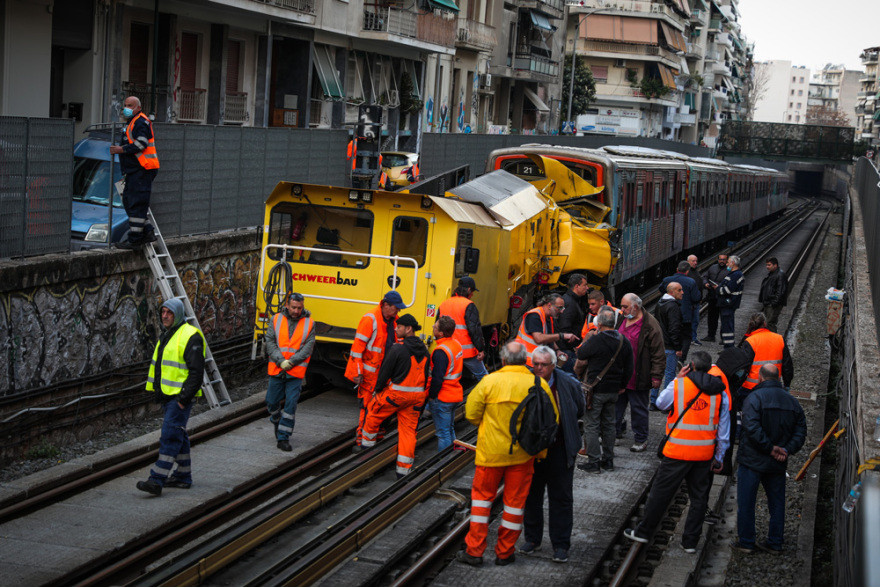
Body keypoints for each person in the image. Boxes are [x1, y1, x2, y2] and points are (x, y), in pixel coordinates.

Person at [457, 342, 558, 567]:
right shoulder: (538, 384)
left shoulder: (489, 382)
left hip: (490, 454)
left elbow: (471, 414)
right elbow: (552, 420)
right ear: (525, 360)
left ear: (503, 360)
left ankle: (474, 551)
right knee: (514, 505)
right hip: (522, 456)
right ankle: (504, 552)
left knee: (481, 503)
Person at [623, 351, 729, 553]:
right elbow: (724, 430)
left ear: (691, 366)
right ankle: (690, 542)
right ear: (710, 368)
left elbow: (660, 403)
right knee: (699, 498)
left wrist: (676, 379)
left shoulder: (680, 385)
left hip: (677, 451)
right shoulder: (720, 392)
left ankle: (644, 531)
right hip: (703, 453)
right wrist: (719, 456)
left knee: (660, 493)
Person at [520, 346, 586, 563]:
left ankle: (560, 545)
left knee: (561, 498)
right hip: (533, 451)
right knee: (532, 496)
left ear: (553, 365)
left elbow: (579, 408)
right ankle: (532, 539)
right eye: (536, 364)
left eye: (544, 365)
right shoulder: (525, 382)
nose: (539, 368)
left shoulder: (567, 383)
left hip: (560, 449)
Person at [734, 364, 807, 554]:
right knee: (777, 503)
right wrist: (786, 449)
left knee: (746, 502)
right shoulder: (792, 402)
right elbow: (801, 431)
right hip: (777, 462)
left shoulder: (753, 398)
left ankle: (746, 542)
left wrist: (769, 448)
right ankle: (775, 542)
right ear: (779, 378)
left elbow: (751, 427)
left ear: (760, 377)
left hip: (752, 460)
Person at [136, 298, 205, 496]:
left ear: (178, 314)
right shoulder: (169, 334)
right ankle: (183, 476)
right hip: (168, 396)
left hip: (179, 397)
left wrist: (183, 399)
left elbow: (196, 373)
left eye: (169, 313)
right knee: (178, 434)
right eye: (163, 312)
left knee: (169, 435)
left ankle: (156, 480)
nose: (165, 316)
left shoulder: (190, 335)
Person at [358, 314, 430, 477]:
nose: (396, 329)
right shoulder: (424, 351)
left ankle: (366, 456)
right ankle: (403, 472)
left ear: (408, 329)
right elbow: (425, 377)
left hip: (396, 395)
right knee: (408, 433)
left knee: (372, 413)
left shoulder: (398, 348)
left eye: (399, 327)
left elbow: (385, 373)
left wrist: (377, 389)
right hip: (416, 399)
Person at [575, 308, 634, 472]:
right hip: (613, 390)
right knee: (609, 425)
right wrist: (622, 385)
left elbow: (581, 353)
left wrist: (591, 336)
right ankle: (608, 460)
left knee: (592, 425)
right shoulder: (623, 341)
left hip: (595, 390)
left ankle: (594, 461)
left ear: (599, 324)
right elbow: (629, 367)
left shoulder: (596, 339)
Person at [345, 291, 406, 446]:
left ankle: (377, 437)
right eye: (396, 307)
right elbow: (357, 349)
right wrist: (357, 372)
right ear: (386, 305)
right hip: (370, 375)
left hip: (386, 375)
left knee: (383, 408)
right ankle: (361, 440)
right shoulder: (370, 319)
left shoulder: (394, 321)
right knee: (367, 408)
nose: (398, 310)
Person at [265, 292, 315, 452]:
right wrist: (281, 361)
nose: (296, 311)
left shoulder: (309, 323)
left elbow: (308, 348)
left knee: (291, 405)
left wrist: (292, 362)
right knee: (271, 401)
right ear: (287, 305)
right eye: (293, 307)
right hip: (277, 368)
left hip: (295, 372)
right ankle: (276, 420)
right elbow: (270, 341)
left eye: (299, 308)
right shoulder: (276, 319)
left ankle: (283, 438)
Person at [615, 293, 665, 452]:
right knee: (616, 407)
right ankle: (614, 433)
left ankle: (640, 438)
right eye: (621, 306)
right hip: (620, 375)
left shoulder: (650, 324)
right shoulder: (621, 318)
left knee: (639, 408)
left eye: (625, 307)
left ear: (635, 307)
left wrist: (656, 375)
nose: (622, 310)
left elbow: (658, 352)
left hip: (639, 375)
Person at [110, 96, 159, 249]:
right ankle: (147, 231)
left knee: (136, 203)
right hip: (136, 170)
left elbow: (141, 143)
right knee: (128, 201)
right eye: (125, 105)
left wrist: (122, 149)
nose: (127, 108)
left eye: (130, 105)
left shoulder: (140, 122)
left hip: (143, 169)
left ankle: (135, 239)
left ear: (138, 107)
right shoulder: (132, 122)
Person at [437, 277, 488, 382]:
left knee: (447, 378)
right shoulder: (468, 305)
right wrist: (480, 349)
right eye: (472, 291)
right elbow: (474, 330)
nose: (472, 295)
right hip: (466, 352)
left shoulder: (444, 304)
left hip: (448, 351)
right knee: (483, 377)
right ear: (468, 290)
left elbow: (437, 327)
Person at [428, 316, 464, 451]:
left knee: (443, 434)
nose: (433, 327)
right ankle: (452, 456)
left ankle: (444, 459)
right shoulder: (456, 344)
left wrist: (431, 396)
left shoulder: (441, 352)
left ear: (441, 333)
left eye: (435, 327)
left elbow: (437, 378)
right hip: (455, 394)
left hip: (443, 398)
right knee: (449, 429)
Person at [514, 293, 578, 367]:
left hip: (538, 362)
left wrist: (557, 350)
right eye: (559, 308)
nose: (561, 311)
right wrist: (562, 336)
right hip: (527, 362)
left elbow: (548, 337)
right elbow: (539, 338)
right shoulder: (534, 316)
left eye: (562, 308)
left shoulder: (548, 317)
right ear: (549, 305)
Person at [739, 312, 794, 395]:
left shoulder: (750, 341)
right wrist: (787, 385)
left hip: (751, 388)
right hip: (774, 386)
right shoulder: (779, 339)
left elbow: (743, 367)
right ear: (765, 323)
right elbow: (787, 366)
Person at [659, 261, 701, 360]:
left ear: (677, 269)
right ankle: (681, 359)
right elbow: (696, 298)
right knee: (686, 337)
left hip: (668, 314)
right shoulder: (691, 282)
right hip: (685, 315)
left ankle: (669, 356)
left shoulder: (667, 280)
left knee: (669, 334)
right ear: (687, 271)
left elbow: (661, 290)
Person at [654, 282, 684, 408]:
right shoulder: (673, 307)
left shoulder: (660, 303)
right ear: (672, 292)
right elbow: (674, 329)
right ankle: (666, 403)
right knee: (670, 375)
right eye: (679, 290)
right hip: (670, 347)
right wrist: (678, 347)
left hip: (659, 345)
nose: (682, 292)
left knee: (657, 373)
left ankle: (653, 401)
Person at [557, 274, 590, 371]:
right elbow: (564, 328)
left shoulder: (570, 300)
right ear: (577, 286)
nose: (587, 288)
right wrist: (574, 347)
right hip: (566, 351)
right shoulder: (570, 304)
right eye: (585, 285)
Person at [716, 255, 745, 348]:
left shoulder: (736, 275)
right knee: (726, 327)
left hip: (728, 303)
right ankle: (727, 346)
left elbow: (728, 290)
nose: (726, 264)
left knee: (728, 327)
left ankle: (729, 347)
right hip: (727, 304)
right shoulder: (733, 274)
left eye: (728, 262)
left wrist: (718, 289)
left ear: (733, 263)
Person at [702, 254, 729, 343]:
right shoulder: (712, 267)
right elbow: (705, 277)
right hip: (712, 297)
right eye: (720, 259)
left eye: (724, 260)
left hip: (723, 297)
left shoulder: (729, 270)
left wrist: (719, 286)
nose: (722, 261)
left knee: (724, 318)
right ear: (718, 260)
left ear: (727, 260)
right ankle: (711, 335)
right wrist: (705, 283)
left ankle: (723, 338)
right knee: (712, 317)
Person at [758, 257, 788, 333]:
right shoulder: (772, 274)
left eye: (769, 265)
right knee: (767, 323)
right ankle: (769, 338)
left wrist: (774, 303)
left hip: (772, 304)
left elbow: (781, 291)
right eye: (766, 265)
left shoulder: (780, 275)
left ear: (775, 265)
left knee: (770, 323)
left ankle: (773, 339)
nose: (767, 267)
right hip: (768, 302)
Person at [686, 255, 703, 345]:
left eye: (696, 261)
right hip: (690, 302)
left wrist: (700, 298)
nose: (695, 263)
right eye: (693, 261)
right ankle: (690, 338)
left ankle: (693, 338)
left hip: (696, 302)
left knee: (695, 321)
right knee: (690, 321)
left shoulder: (696, 272)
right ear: (688, 262)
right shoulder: (688, 273)